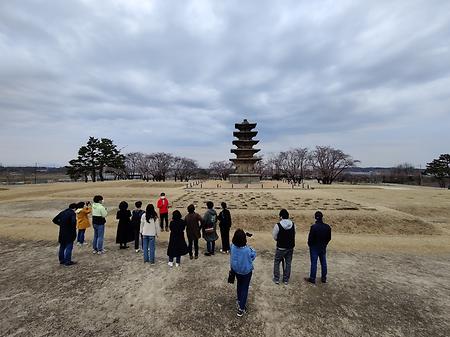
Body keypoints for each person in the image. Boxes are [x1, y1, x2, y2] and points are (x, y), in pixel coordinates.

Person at [230, 229, 256, 317]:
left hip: (236, 270)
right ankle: (241, 308)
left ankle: (239, 300)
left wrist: (242, 234)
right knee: (245, 288)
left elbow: (237, 240)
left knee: (239, 285)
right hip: (246, 272)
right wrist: (251, 248)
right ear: (244, 239)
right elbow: (253, 256)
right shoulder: (247, 250)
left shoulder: (232, 246)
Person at [305, 211, 331, 284]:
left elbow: (310, 239)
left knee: (314, 263)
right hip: (323, 246)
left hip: (314, 247)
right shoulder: (327, 227)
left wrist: (310, 245)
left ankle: (312, 278)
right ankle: (324, 278)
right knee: (323, 262)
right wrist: (325, 244)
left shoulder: (314, 227)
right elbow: (329, 238)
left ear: (315, 218)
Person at [272, 209, 295, 285]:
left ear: (281, 216)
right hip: (290, 247)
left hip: (281, 247)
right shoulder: (293, 224)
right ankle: (286, 279)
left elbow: (275, 236)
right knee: (288, 263)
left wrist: (279, 240)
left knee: (277, 262)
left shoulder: (278, 225)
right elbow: (294, 234)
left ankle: (276, 279)